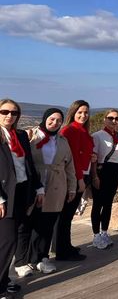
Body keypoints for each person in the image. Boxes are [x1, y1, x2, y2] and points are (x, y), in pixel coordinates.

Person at [13, 109, 75, 276]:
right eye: (52, 119)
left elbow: (70, 165)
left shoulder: (62, 141)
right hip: (32, 185)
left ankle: (40, 258)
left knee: (46, 225)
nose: (55, 123)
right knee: (25, 224)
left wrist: (72, 187)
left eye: (59, 120)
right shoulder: (31, 135)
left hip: (55, 186)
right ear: (45, 118)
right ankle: (21, 261)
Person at [0, 100, 43, 296]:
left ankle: (4, 280)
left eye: (14, 113)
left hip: (22, 191)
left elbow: (28, 164)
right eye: (4, 111)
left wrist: (38, 187)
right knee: (7, 241)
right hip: (4, 195)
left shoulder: (21, 135)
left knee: (13, 238)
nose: (9, 116)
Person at [56, 100, 93, 261]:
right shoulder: (69, 130)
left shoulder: (83, 131)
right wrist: (79, 180)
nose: (83, 115)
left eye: (86, 112)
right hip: (73, 177)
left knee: (68, 215)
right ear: (73, 113)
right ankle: (62, 251)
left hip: (81, 174)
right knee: (65, 215)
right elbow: (72, 158)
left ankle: (66, 246)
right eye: (80, 112)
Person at [90, 109, 118, 250]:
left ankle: (104, 232)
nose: (114, 121)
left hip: (114, 171)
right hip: (101, 171)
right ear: (105, 119)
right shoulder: (97, 136)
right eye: (110, 118)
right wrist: (94, 176)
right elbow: (93, 158)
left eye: (117, 118)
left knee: (108, 203)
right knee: (98, 204)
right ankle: (96, 235)